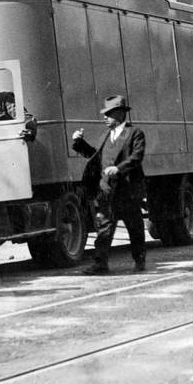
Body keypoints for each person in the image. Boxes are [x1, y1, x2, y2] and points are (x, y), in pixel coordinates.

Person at [72, 95, 146, 274]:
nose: (105, 117)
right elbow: (95, 157)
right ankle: (100, 264)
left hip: (127, 191)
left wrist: (118, 168)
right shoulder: (105, 136)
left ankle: (139, 261)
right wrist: (79, 142)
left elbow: (137, 157)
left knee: (134, 228)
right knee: (104, 229)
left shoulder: (134, 133)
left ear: (120, 113)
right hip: (107, 191)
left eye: (109, 114)